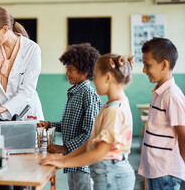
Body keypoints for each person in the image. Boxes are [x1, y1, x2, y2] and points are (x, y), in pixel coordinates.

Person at [40, 54, 136, 190]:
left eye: (96, 76)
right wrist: (62, 159)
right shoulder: (109, 105)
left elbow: (99, 152)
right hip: (105, 173)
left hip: (112, 176)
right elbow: (91, 142)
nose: (94, 81)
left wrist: (65, 162)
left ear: (108, 77)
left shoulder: (114, 111)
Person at [38, 43, 101, 190]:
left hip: (82, 163)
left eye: (71, 70)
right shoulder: (74, 93)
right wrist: (49, 124)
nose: (67, 73)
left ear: (85, 72)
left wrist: (64, 147)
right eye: (67, 69)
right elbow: (69, 125)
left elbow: (89, 133)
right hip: (72, 160)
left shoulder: (88, 95)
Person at [0, 6, 44, 121]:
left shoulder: (32, 49)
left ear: (5, 29)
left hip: (25, 113)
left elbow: (27, 90)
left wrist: (6, 108)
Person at [138, 37, 185, 190]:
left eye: (147, 65)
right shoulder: (160, 93)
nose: (144, 70)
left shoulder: (172, 95)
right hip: (156, 170)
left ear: (164, 64)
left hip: (166, 173)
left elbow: (183, 136)